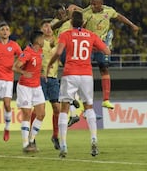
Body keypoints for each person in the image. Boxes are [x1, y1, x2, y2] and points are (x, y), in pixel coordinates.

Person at [47, 11, 111, 158]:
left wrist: (50, 64)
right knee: (89, 107)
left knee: (64, 108)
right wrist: (97, 46)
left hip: (70, 74)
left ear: (71, 23)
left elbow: (58, 52)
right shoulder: (91, 35)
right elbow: (106, 50)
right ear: (83, 23)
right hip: (86, 75)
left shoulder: (66, 34)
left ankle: (63, 145)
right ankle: (94, 139)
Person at [68, 0, 139, 109]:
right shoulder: (86, 12)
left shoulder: (108, 10)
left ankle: (106, 100)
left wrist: (132, 25)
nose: (92, 6)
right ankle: (77, 97)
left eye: (95, 4)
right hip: (89, 45)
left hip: (101, 44)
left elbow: (119, 17)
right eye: (91, 4)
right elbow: (78, 24)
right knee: (82, 70)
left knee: (104, 68)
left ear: (101, 4)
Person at [12, 30, 45, 153]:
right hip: (25, 87)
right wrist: (24, 72)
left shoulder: (40, 51)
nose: (44, 41)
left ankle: (31, 140)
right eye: (42, 38)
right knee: (27, 113)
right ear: (37, 40)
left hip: (37, 87)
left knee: (41, 114)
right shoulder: (27, 52)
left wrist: (42, 73)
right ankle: (26, 144)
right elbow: (15, 66)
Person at [40, 19, 60, 150]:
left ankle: (55, 136)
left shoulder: (58, 40)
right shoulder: (38, 42)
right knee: (39, 111)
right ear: (41, 29)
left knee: (57, 109)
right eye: (45, 26)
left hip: (53, 78)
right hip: (40, 78)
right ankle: (32, 137)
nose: (48, 28)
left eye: (50, 26)